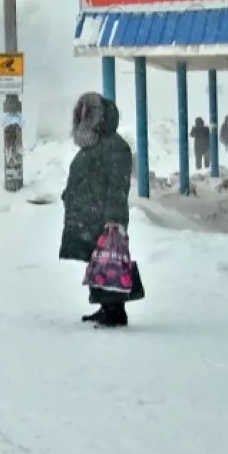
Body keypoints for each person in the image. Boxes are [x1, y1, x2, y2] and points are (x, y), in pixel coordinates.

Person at [61, 91, 136, 328]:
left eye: (89, 114)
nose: (84, 118)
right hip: (90, 215)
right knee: (100, 263)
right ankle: (106, 306)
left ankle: (115, 311)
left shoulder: (114, 146)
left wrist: (113, 219)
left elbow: (117, 185)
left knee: (110, 261)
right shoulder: (91, 147)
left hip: (104, 217)